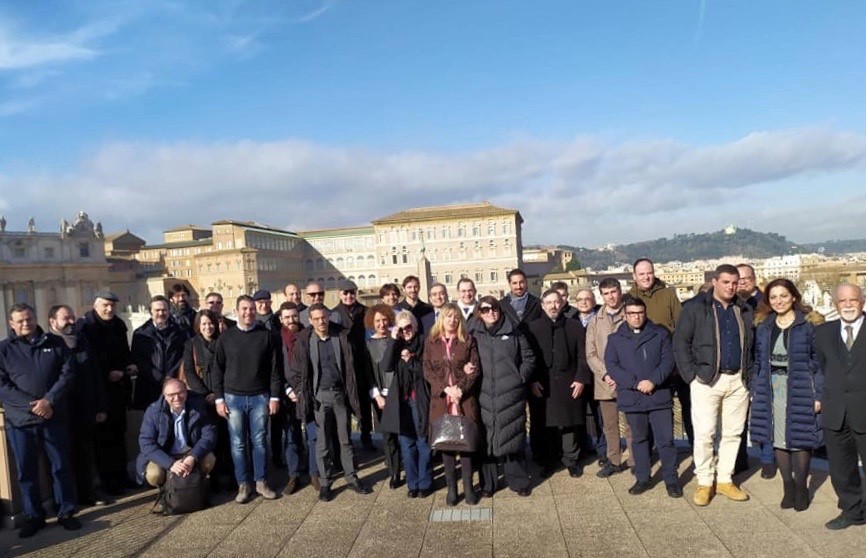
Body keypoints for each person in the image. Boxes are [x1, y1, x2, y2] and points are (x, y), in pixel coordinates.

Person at [673, 264, 754, 506]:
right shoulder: (696, 309)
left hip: (738, 380)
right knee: (705, 433)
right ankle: (705, 482)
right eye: (726, 282)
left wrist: (747, 377)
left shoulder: (744, 309)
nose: (731, 287)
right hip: (707, 380)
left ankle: (725, 480)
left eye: (734, 282)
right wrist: (691, 376)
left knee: (733, 433)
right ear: (715, 282)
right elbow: (680, 343)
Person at [0, 303, 80, 537]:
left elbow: (68, 373)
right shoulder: (3, 350)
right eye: (21, 321)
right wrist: (33, 406)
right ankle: (34, 516)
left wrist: (49, 401)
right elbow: (2, 386)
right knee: (26, 471)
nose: (26, 324)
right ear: (12, 324)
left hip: (53, 416)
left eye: (29, 319)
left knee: (61, 467)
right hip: (21, 421)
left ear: (36, 319)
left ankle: (66, 512)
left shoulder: (55, 343)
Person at [749, 278, 823, 511]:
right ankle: (787, 486)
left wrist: (819, 395)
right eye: (773, 297)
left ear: (793, 296)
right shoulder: (764, 326)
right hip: (772, 388)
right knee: (777, 437)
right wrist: (755, 389)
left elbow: (819, 363)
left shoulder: (809, 325)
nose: (779, 301)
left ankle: (801, 487)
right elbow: (758, 362)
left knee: (801, 438)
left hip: (801, 387)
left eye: (783, 295)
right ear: (768, 301)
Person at [289, 303, 373, 501]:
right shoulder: (304, 341)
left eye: (324, 317)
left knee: (345, 439)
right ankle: (326, 483)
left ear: (329, 317)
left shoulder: (341, 336)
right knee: (323, 443)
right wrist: (302, 391)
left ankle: (351, 477)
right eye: (316, 319)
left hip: (340, 395)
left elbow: (351, 367)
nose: (321, 322)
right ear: (310, 320)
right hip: (318, 397)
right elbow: (296, 371)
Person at [605, 296, 681, 498]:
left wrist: (653, 381)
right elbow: (612, 365)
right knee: (639, 439)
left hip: (658, 395)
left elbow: (668, 360)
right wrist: (635, 383)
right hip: (632, 396)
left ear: (645, 313)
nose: (636, 317)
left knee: (665, 441)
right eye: (631, 314)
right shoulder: (615, 339)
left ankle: (671, 479)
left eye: (640, 313)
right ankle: (643, 477)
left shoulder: (660, 333)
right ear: (625, 315)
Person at [213, 295, 281, 504]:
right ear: (237, 311)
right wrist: (219, 399)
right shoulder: (226, 337)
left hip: (260, 396)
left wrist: (275, 397)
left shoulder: (267, 336)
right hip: (233, 398)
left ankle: (260, 481)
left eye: (251, 309)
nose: (248, 312)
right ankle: (243, 484)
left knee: (260, 441)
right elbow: (217, 369)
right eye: (244, 309)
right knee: (238, 443)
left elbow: (275, 369)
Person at [814, 283, 866, 530]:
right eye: (843, 301)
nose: (848, 305)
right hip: (835, 411)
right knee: (841, 469)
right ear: (835, 305)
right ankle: (852, 511)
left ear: (862, 302)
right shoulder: (823, 333)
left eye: (853, 300)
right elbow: (818, 368)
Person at [471, 296, 534, 497]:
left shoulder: (514, 331)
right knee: (486, 440)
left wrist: (520, 378)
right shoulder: (473, 334)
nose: (491, 312)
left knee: (513, 436)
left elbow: (529, 358)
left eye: (494, 308)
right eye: (485, 309)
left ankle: (519, 481)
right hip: (483, 394)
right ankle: (488, 484)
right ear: (479, 313)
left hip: (511, 393)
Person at [48, 304, 110, 507]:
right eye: (66, 318)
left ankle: (91, 492)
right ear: (52, 322)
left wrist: (100, 406)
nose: (71, 322)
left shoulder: (82, 341)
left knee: (87, 453)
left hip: (85, 408)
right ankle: (66, 500)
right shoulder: (49, 345)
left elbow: (95, 375)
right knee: (61, 458)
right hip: (59, 411)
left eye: (73, 317)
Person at [527, 290, 593, 478]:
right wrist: (532, 380)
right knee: (546, 425)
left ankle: (571, 460)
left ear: (562, 303)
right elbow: (528, 358)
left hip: (569, 381)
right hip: (542, 383)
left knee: (569, 424)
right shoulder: (533, 328)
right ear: (542, 305)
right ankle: (549, 460)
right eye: (549, 302)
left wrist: (581, 379)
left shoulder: (575, 326)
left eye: (556, 302)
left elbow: (583, 356)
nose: (553, 306)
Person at [77, 290, 135, 495]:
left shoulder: (118, 325)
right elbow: (87, 362)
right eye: (105, 305)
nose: (109, 309)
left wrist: (125, 368)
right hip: (98, 391)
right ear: (95, 305)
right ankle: (108, 482)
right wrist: (109, 373)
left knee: (119, 435)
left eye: (112, 305)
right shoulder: (85, 327)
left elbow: (124, 353)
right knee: (102, 439)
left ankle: (121, 477)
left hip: (118, 389)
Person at [630, 258, 691, 446]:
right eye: (641, 274)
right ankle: (650, 452)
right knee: (648, 412)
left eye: (649, 272)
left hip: (672, 361)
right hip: (643, 366)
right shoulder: (629, 297)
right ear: (634, 276)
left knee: (687, 407)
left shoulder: (668, 295)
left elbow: (682, 327)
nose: (646, 277)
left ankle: (693, 447)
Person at [423, 303, 480, 505]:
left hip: (463, 400)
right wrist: (446, 389)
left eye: (456, 317)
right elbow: (427, 371)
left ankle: (469, 487)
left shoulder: (468, 341)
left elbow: (475, 369)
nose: (452, 320)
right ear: (441, 319)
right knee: (446, 443)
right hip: (441, 400)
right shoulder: (431, 342)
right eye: (448, 316)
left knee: (465, 443)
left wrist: (460, 388)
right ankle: (452, 490)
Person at [136, 378, 217, 513]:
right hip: (164, 454)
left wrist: (193, 457)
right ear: (164, 396)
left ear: (186, 392)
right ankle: (167, 491)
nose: (176, 398)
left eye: (180, 393)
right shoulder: (153, 411)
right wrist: (170, 464)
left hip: (190, 451)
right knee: (153, 474)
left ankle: (195, 487)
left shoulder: (198, 405)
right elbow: (146, 443)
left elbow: (209, 435)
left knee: (210, 459)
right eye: (171, 395)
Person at [379, 312, 432, 498]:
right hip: (402, 402)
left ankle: (425, 482)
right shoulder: (397, 345)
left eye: (409, 327)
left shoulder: (425, 342)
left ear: (415, 327)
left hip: (420, 399)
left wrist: (411, 361)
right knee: (406, 443)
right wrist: (394, 340)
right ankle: (413, 483)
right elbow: (386, 366)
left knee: (423, 441)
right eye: (402, 328)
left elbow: (428, 371)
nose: (406, 331)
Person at [586, 278, 633, 478]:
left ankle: (635, 460)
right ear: (601, 296)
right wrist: (606, 373)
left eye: (614, 291)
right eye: (606, 293)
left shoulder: (631, 315)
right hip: (605, 381)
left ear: (620, 291)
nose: (611, 296)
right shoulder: (595, 321)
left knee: (632, 424)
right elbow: (591, 353)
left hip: (629, 380)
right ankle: (614, 460)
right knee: (610, 425)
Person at [180, 309, 233, 490]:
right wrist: (205, 394)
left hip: (223, 396)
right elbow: (189, 371)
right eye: (203, 324)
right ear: (198, 326)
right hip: (201, 399)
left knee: (227, 438)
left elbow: (230, 368)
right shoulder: (191, 344)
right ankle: (214, 479)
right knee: (208, 439)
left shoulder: (224, 341)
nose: (207, 327)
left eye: (210, 323)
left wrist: (218, 395)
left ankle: (232, 476)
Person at [736, 262, 774, 478]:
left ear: (754, 278)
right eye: (738, 279)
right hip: (738, 369)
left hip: (762, 367)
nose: (742, 282)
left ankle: (767, 459)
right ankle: (740, 459)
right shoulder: (731, 304)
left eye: (746, 278)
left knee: (763, 415)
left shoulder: (767, 303)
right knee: (737, 419)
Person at [331, 279, 374, 450]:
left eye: (351, 292)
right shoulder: (334, 314)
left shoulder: (365, 311)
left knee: (364, 401)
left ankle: (366, 436)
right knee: (346, 404)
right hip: (344, 364)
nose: (349, 296)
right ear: (340, 294)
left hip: (363, 362)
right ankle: (346, 441)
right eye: (345, 293)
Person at [277, 301, 315, 495]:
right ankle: (294, 474)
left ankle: (315, 473)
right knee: (291, 437)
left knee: (313, 436)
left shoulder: (308, 335)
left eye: (294, 316)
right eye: (287, 317)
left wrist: (305, 390)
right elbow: (275, 370)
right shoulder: (277, 339)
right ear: (281, 319)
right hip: (288, 395)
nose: (291, 320)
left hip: (308, 392)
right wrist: (288, 390)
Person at [365, 304, 402, 488]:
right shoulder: (368, 344)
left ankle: (404, 464)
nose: (381, 324)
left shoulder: (396, 339)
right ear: (372, 322)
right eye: (377, 321)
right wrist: (377, 396)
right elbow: (368, 373)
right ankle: (394, 472)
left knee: (403, 433)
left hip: (399, 392)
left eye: (384, 320)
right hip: (381, 395)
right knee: (387, 436)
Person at [130, 295, 187, 412]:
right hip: (149, 386)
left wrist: (170, 376)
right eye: (157, 310)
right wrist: (160, 378)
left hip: (174, 386)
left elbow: (183, 356)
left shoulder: (179, 332)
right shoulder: (141, 334)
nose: (161, 313)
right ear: (150, 311)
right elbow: (138, 359)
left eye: (164, 310)